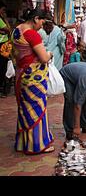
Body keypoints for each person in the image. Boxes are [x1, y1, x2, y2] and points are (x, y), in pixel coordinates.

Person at [12, 8, 54, 154]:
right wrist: (50, 53)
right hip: (33, 78)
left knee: (25, 109)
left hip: (21, 74)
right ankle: (37, 144)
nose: (42, 25)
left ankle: (23, 143)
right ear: (36, 19)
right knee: (37, 109)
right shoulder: (31, 34)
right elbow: (43, 58)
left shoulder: (16, 30)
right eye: (42, 21)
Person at [0, 2, 11, 98]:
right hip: (2, 46)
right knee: (2, 67)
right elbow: (7, 29)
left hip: (3, 45)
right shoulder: (0, 19)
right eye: (3, 10)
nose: (4, 12)